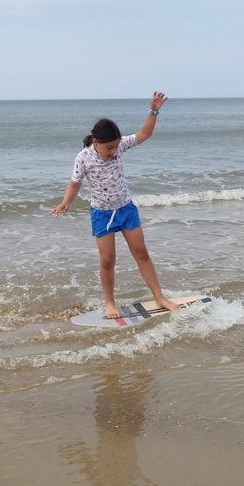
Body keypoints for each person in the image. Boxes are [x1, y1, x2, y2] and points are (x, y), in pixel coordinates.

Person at [52, 91, 181, 319]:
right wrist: (65, 202)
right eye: (109, 147)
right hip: (102, 214)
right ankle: (110, 303)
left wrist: (153, 110)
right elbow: (75, 184)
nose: (113, 151)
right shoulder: (83, 157)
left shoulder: (120, 146)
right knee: (107, 260)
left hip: (125, 209)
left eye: (115, 147)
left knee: (141, 252)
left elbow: (144, 133)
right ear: (95, 142)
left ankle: (159, 297)